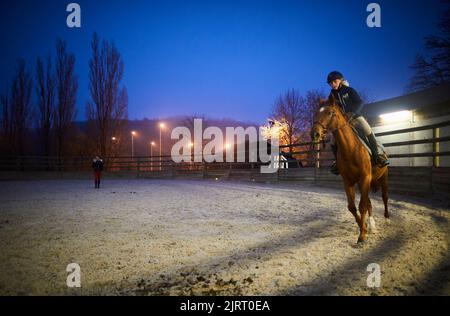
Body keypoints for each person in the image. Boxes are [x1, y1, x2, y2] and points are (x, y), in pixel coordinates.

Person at [326, 71, 389, 175]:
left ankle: (377, 156)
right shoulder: (332, 94)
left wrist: (352, 112)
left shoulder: (349, 90)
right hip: (343, 121)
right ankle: (337, 162)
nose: (333, 84)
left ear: (340, 80)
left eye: (334, 82)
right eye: (330, 83)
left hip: (355, 117)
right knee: (332, 141)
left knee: (368, 131)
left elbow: (360, 102)